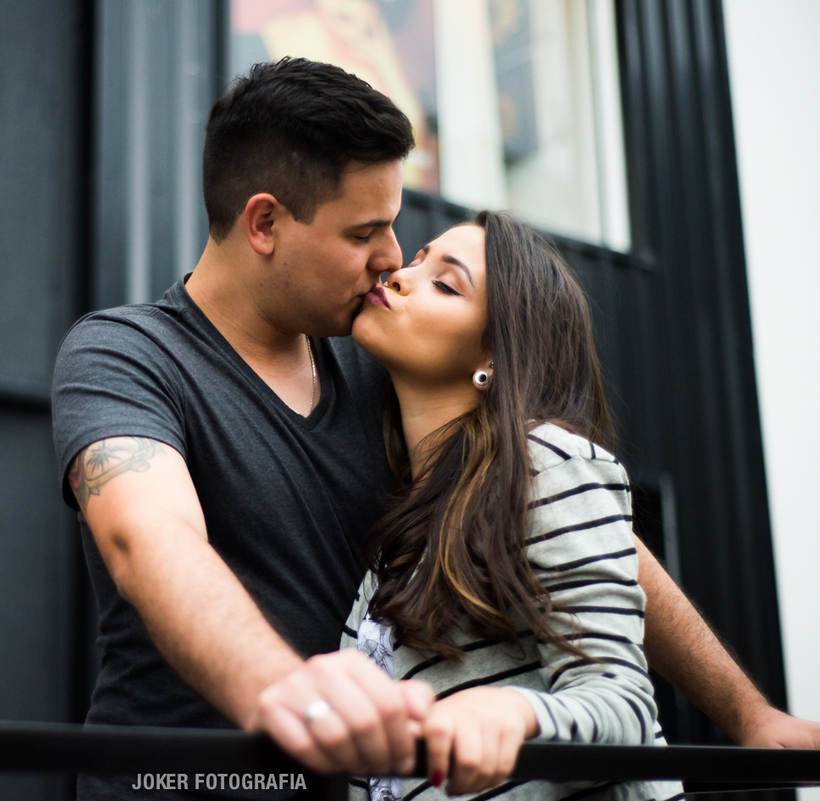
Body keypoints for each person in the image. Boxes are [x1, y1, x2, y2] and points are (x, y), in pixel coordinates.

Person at [51, 59, 820, 800]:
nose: (390, 259)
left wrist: (747, 712)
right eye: (365, 232)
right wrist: (287, 688)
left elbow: (581, 532)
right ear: (264, 223)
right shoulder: (124, 355)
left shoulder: (384, 359)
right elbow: (148, 540)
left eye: (397, 229)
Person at [343, 211, 680, 801]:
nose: (400, 275)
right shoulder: (393, 547)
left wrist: (513, 715)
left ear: (494, 359)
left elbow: (622, 704)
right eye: (417, 260)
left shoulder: (542, 463)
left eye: (446, 283)